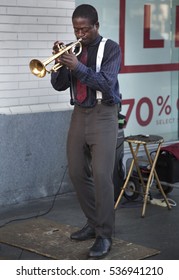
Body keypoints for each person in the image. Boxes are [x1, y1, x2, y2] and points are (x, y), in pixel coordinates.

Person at [51, 4, 121, 259]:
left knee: (102, 176)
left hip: (104, 115)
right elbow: (59, 86)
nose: (79, 34)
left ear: (96, 26)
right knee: (77, 172)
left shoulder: (111, 48)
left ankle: (104, 235)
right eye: (75, 29)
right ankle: (94, 223)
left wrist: (77, 67)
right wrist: (60, 64)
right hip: (79, 114)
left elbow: (105, 82)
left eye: (84, 29)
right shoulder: (73, 51)